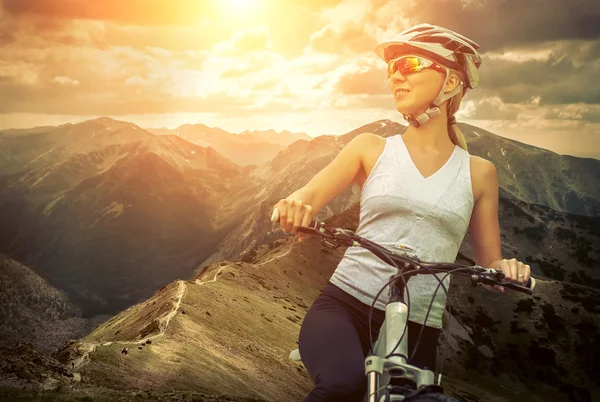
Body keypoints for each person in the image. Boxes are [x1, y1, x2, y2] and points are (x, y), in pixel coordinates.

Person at [272, 23, 531, 402]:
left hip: (421, 326)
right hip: (345, 306)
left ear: (452, 82)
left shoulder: (480, 174)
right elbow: (306, 197)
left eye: (409, 64)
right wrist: (291, 207)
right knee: (343, 386)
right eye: (390, 69)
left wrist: (506, 270)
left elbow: (489, 265)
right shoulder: (371, 148)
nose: (396, 75)